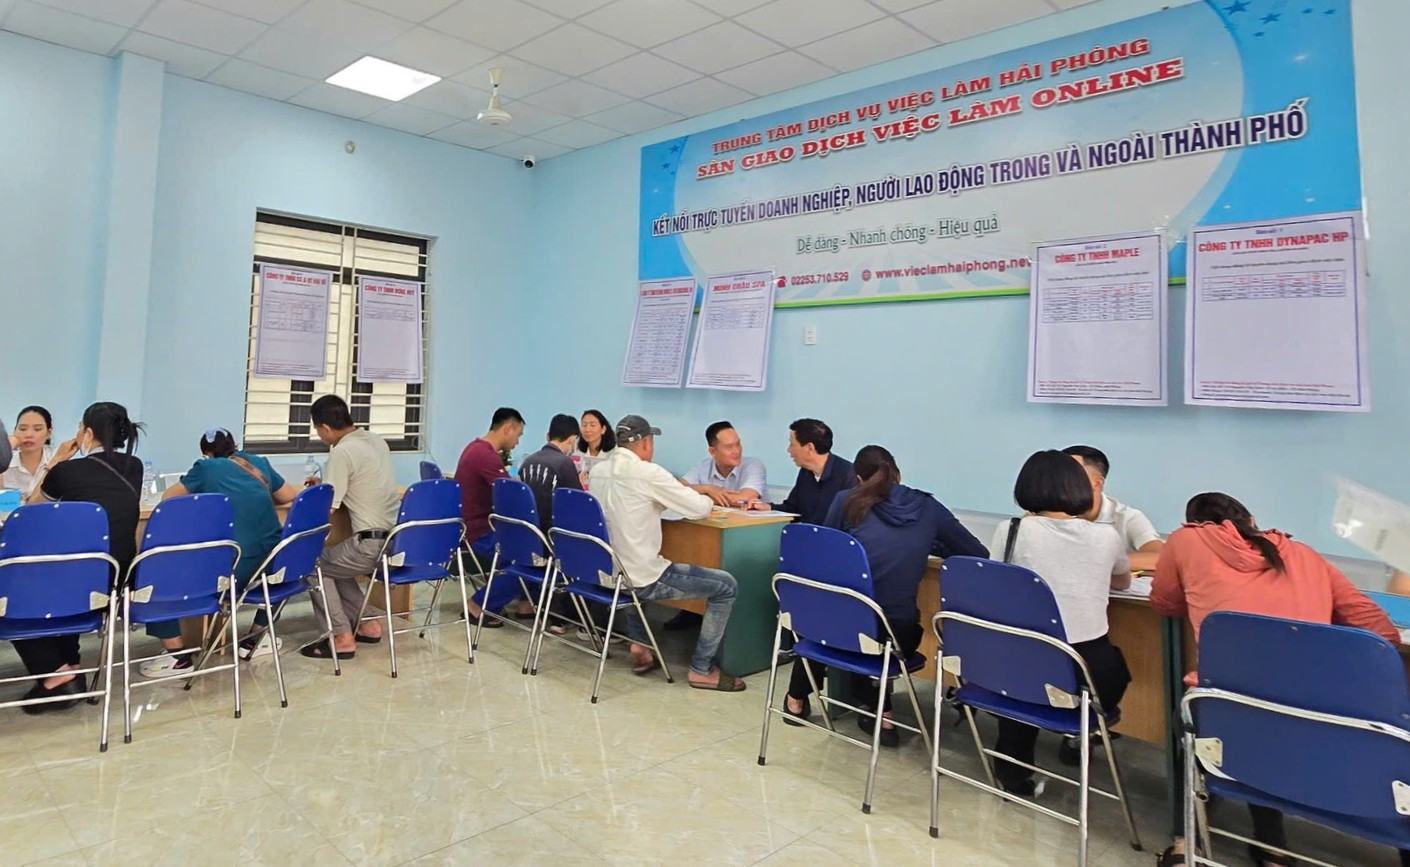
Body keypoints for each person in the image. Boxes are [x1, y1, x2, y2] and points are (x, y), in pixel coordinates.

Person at [1151, 492, 1400, 867]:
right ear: (1251, 520)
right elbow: (1379, 630)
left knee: (1221, 712)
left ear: (1197, 522)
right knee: (1267, 712)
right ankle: (1272, 850)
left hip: (1230, 715)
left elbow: (1164, 603)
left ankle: (1187, 843)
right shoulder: (1305, 554)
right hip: (1315, 718)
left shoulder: (1185, 540)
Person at [783, 445, 987, 745]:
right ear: (897, 474)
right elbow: (976, 553)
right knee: (869, 628)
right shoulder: (928, 507)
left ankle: (797, 700)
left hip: (843, 630)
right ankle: (879, 710)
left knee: (830, 620)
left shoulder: (845, 501)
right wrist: (926, 543)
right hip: (898, 637)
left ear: (857, 477)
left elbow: (823, 556)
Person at [987, 449, 1133, 794]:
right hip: (1087, 675)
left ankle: (1012, 773)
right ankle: (1078, 736)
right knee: (1118, 667)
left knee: (1023, 670)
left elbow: (995, 582)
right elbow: (1123, 581)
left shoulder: (1010, 531)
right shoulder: (1105, 535)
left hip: (1019, 667)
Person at [589, 414, 745, 692]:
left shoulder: (599, 469)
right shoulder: (648, 473)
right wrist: (709, 495)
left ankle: (640, 643)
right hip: (641, 577)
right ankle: (701, 668)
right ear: (645, 443)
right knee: (725, 586)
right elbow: (697, 508)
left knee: (630, 575)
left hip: (609, 573)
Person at [10, 402, 144, 713]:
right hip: (118, 580)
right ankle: (69, 663)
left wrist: (57, 460)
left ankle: (56, 671)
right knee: (70, 580)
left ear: (87, 432)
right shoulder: (134, 467)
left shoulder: (66, 471)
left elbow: (30, 509)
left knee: (15, 591)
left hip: (78, 581)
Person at [136, 428, 302, 675]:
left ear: (206, 453)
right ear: (234, 446)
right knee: (283, 572)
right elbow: (289, 495)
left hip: (227, 573)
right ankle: (255, 638)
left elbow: (169, 499)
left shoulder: (205, 469)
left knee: (157, 578)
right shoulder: (258, 462)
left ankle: (177, 656)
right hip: (271, 567)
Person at [298, 395, 400, 660]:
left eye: (319, 431)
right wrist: (325, 481)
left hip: (368, 546)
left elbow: (328, 508)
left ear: (325, 428)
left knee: (309, 564)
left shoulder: (342, 451)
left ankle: (340, 637)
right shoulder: (376, 441)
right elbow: (363, 480)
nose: (321, 437)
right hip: (395, 543)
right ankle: (368, 624)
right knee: (336, 562)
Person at [454, 407, 532, 622]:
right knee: (530, 557)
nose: (517, 442)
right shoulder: (485, 456)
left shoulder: (474, 448)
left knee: (526, 548)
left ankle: (525, 605)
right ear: (508, 428)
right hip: (479, 531)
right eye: (518, 434)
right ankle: (478, 605)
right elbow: (511, 495)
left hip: (469, 526)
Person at [1063, 445, 1164, 572]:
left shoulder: (1127, 517)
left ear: (1097, 482)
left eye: (1072, 475)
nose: (1062, 482)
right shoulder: (1047, 514)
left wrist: (1096, 563)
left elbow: (1159, 557)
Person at [746, 417, 854, 524]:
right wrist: (768, 507)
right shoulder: (806, 472)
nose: (789, 450)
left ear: (809, 448)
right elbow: (792, 509)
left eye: (792, 444)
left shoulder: (849, 475)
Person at [518, 413, 583, 527]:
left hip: (528, 529)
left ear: (548, 436)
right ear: (572, 439)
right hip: (553, 533)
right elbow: (578, 502)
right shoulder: (564, 463)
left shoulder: (527, 461)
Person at [681, 420, 767, 507]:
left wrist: (698, 498)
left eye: (738, 444)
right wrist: (707, 488)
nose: (736, 451)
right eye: (729, 447)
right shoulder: (703, 466)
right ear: (713, 451)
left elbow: (745, 498)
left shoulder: (753, 465)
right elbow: (678, 489)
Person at [4, 406, 54, 496]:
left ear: (49, 433)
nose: (29, 434)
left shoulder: (57, 460)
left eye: (37, 429)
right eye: (22, 429)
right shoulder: (5, 462)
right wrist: (6, 447)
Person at [574, 409, 614, 486]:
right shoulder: (577, 453)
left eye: (592, 425)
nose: (587, 429)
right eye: (584, 425)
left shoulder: (613, 454)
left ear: (603, 429)